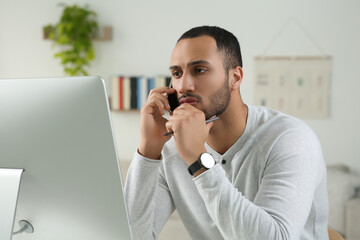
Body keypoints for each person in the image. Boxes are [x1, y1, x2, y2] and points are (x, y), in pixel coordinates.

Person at [124, 26, 328, 240]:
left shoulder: (290, 139)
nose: (184, 85)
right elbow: (129, 236)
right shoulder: (172, 149)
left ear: (235, 77)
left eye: (199, 70)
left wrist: (198, 159)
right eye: (177, 73)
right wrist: (148, 150)